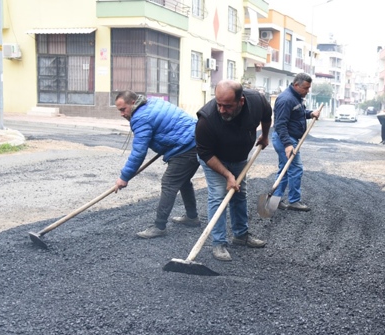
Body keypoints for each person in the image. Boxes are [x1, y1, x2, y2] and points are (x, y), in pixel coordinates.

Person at [195, 80, 272, 261]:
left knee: (239, 193)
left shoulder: (256, 101)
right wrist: (228, 175)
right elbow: (205, 153)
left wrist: (265, 136)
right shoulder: (206, 120)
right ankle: (219, 243)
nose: (222, 110)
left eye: (228, 106)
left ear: (241, 101)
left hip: (239, 158)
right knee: (218, 195)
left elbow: (267, 115)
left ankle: (241, 235)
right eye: (219, 104)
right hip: (214, 159)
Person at [114, 91, 201, 239]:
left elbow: (138, 153)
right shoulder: (152, 102)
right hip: (196, 139)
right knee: (183, 181)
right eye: (119, 111)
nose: (122, 114)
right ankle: (192, 218)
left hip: (186, 147)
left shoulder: (141, 118)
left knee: (169, 183)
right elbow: (167, 124)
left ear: (133, 103)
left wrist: (124, 177)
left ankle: (159, 226)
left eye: (123, 109)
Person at [271, 73, 321, 211]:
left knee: (285, 169)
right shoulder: (286, 100)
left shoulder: (296, 98)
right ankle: (294, 201)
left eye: (309, 88)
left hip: (289, 139)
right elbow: (280, 124)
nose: (307, 91)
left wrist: (310, 113)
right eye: (305, 88)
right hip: (285, 139)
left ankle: (275, 200)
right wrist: (287, 145)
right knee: (296, 168)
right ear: (296, 85)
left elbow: (298, 115)